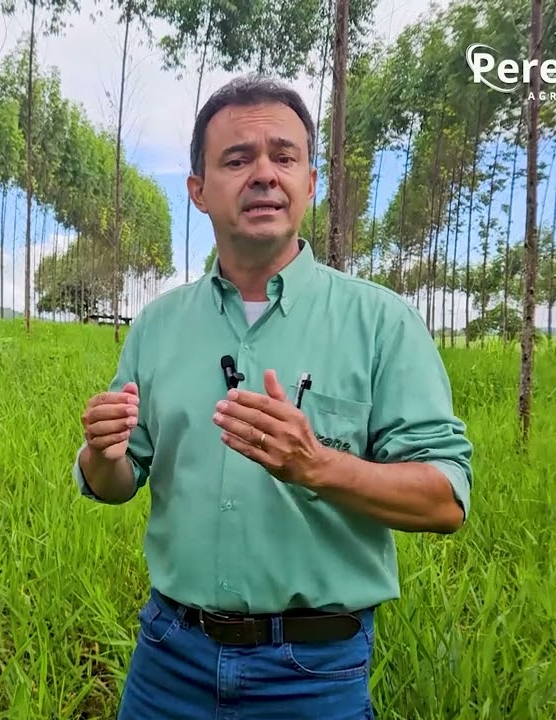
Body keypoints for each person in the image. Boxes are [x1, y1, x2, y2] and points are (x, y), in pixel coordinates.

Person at [72, 74, 474, 719]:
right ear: (198, 192)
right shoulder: (158, 325)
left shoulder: (380, 323)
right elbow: (119, 481)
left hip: (313, 672)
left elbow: (445, 499)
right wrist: (103, 452)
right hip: (169, 659)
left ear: (310, 182)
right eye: (237, 159)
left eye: (283, 157)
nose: (264, 174)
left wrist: (317, 465)